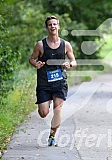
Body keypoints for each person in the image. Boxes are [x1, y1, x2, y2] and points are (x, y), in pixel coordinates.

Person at [29, 16, 77, 146]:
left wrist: (70, 64)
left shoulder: (65, 44)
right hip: (44, 82)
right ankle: (47, 101)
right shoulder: (40, 44)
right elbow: (32, 59)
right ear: (47, 28)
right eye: (50, 24)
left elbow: (74, 60)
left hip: (59, 82)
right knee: (43, 113)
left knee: (58, 109)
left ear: (58, 26)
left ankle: (52, 135)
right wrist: (36, 64)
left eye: (55, 24)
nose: (53, 26)